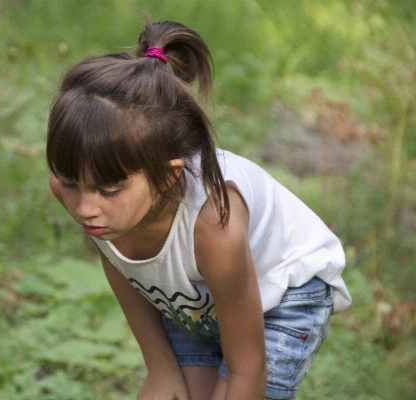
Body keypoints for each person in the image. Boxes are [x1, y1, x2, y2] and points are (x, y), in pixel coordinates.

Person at [46, 17, 352, 400]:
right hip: (199, 293)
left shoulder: (212, 226)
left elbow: (247, 368)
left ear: (166, 176)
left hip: (282, 290)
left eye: (108, 190)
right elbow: (123, 265)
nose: (85, 208)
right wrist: (159, 368)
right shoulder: (87, 198)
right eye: (71, 182)